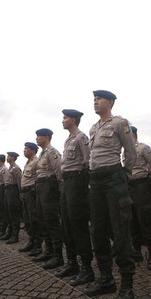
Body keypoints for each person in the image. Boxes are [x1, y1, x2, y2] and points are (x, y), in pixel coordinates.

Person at [83, 90, 136, 299]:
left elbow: (131, 152)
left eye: (99, 99)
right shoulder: (93, 127)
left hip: (114, 178)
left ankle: (127, 286)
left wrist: (124, 174)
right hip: (96, 181)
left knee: (120, 229)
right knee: (98, 230)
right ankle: (106, 278)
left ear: (110, 102)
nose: (95, 101)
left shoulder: (120, 123)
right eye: (94, 99)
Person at [58, 109, 95, 286]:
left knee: (78, 225)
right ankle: (72, 263)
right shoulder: (68, 140)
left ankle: (86, 268)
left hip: (77, 183)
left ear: (73, 119)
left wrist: (84, 186)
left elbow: (88, 162)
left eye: (65, 118)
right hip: (67, 184)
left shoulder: (81, 138)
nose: (63, 120)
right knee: (66, 224)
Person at [128, 125, 151, 271]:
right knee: (133, 219)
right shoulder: (125, 150)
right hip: (130, 187)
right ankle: (136, 251)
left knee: (146, 220)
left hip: (142, 185)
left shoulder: (143, 148)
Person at [33, 128, 64, 270]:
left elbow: (59, 172)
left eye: (38, 137)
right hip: (41, 187)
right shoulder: (42, 154)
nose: (36, 139)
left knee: (51, 220)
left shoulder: (52, 152)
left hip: (49, 187)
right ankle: (49, 251)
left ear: (46, 137)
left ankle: (57, 255)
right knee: (42, 219)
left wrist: (58, 190)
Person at [19, 142, 41, 256]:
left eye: (26, 149)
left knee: (34, 219)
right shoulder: (28, 163)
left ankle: (37, 244)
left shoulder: (36, 162)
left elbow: (38, 178)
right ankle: (31, 240)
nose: (24, 150)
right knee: (27, 219)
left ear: (33, 150)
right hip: (26, 193)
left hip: (32, 193)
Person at [5, 152, 23, 244]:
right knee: (9, 213)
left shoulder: (16, 168)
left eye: (8, 156)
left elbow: (19, 181)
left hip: (14, 191)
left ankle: (15, 235)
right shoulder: (10, 168)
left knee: (14, 213)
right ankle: (10, 233)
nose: (7, 158)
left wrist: (20, 193)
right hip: (8, 190)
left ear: (13, 158)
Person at [0, 154, 9, 238]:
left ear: (0, 160)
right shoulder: (0, 169)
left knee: (2, 211)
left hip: (2, 190)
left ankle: (2, 230)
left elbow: (5, 182)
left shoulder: (4, 169)